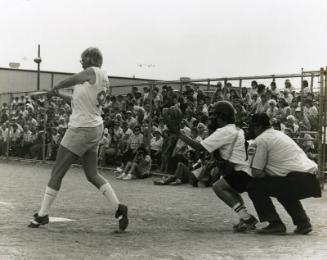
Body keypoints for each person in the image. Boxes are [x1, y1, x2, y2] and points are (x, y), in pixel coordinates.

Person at [28, 47, 128, 232]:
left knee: (57, 173)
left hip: (81, 129)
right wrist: (58, 95)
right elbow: (77, 101)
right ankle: (119, 208)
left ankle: (42, 215)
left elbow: (71, 80)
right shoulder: (99, 77)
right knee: (92, 174)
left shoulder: (93, 71)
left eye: (83, 58)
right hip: (94, 128)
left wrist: (57, 86)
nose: (81, 61)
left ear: (91, 59)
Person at [163, 101, 257, 232]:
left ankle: (247, 218)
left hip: (243, 171)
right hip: (244, 170)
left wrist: (178, 133)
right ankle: (244, 218)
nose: (211, 118)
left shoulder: (224, 131)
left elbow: (200, 148)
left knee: (218, 187)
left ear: (222, 116)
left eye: (214, 115)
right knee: (231, 189)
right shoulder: (235, 129)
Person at [246, 113, 321, 234]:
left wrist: (268, 174)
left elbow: (256, 173)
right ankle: (303, 223)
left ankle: (275, 223)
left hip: (297, 179)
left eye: (252, 127)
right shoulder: (279, 134)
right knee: (282, 187)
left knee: (254, 186)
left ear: (258, 127)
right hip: (311, 179)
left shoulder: (261, 140)